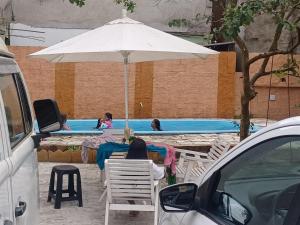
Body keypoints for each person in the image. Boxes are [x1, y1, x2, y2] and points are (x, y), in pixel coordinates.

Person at [126, 138, 164, 216]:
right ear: (144, 151)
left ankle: (133, 206)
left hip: (126, 193)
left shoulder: (121, 165)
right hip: (145, 192)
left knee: (126, 184)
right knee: (160, 174)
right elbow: (160, 175)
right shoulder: (149, 165)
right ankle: (153, 202)